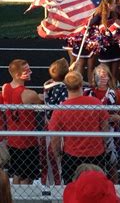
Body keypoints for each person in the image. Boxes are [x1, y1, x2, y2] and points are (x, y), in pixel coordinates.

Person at [49, 71, 109, 184]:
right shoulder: (96, 103)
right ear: (81, 84)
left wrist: (57, 153)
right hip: (95, 154)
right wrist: (104, 144)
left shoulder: (60, 110)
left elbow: (55, 137)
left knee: (72, 188)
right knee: (96, 186)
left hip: (72, 156)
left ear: (65, 86)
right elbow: (105, 129)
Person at [2, 59, 42, 184]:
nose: (30, 72)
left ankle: (15, 197)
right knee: (27, 177)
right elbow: (41, 101)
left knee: (17, 173)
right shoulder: (29, 94)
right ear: (17, 75)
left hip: (13, 138)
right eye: (27, 71)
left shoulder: (5, 87)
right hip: (27, 141)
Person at [84, 64, 120, 183]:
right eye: (99, 75)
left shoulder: (116, 93)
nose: (102, 77)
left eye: (104, 74)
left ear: (109, 77)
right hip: (92, 132)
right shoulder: (88, 92)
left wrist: (119, 117)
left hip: (111, 131)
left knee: (112, 164)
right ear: (94, 77)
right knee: (94, 164)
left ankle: (114, 188)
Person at [42, 58, 69, 186]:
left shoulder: (48, 85)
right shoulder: (63, 89)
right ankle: (58, 185)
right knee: (57, 157)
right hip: (59, 128)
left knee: (49, 158)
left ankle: (49, 183)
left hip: (49, 125)